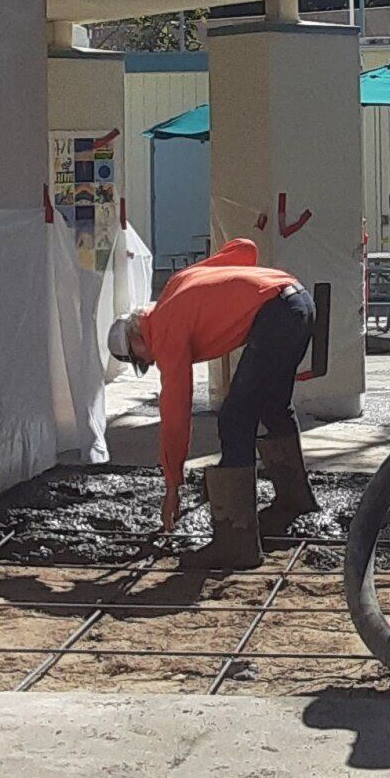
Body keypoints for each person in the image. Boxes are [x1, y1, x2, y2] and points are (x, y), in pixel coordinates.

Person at [108, 241, 315, 567]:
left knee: (233, 420)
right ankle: (296, 502)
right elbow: (245, 248)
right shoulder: (177, 285)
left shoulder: (165, 331)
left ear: (136, 339)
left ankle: (236, 542)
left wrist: (173, 484)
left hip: (276, 314)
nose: (148, 363)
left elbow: (175, 413)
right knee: (274, 407)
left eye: (139, 360)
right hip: (299, 299)